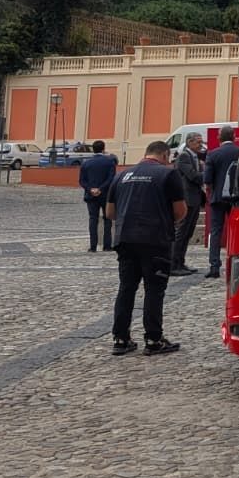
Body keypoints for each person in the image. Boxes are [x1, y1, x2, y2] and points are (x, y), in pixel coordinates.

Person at [105, 140, 186, 355]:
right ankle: (153, 339)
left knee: (126, 288)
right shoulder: (168, 175)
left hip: (125, 239)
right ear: (165, 156)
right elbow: (180, 211)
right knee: (154, 290)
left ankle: (120, 339)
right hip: (155, 240)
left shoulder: (122, 175)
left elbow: (110, 213)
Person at [202, 125, 239, 280]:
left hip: (218, 198)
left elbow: (207, 180)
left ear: (219, 137)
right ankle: (235, 264)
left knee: (216, 231)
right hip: (236, 198)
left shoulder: (213, 154)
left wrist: (210, 193)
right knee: (236, 231)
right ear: (233, 137)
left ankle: (214, 266)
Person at [169, 132, 205, 275]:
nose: (200, 145)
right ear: (189, 142)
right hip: (187, 199)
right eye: (198, 142)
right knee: (181, 232)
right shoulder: (184, 156)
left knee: (188, 233)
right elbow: (193, 176)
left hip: (195, 199)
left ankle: (181, 262)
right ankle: (173, 264)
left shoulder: (195, 157)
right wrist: (208, 172)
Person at [78, 140, 119, 253]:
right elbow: (111, 178)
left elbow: (82, 180)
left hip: (90, 196)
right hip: (106, 195)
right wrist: (100, 189)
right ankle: (107, 246)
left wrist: (91, 189)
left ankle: (93, 246)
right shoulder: (109, 162)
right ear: (103, 148)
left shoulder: (86, 163)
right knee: (107, 220)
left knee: (93, 220)